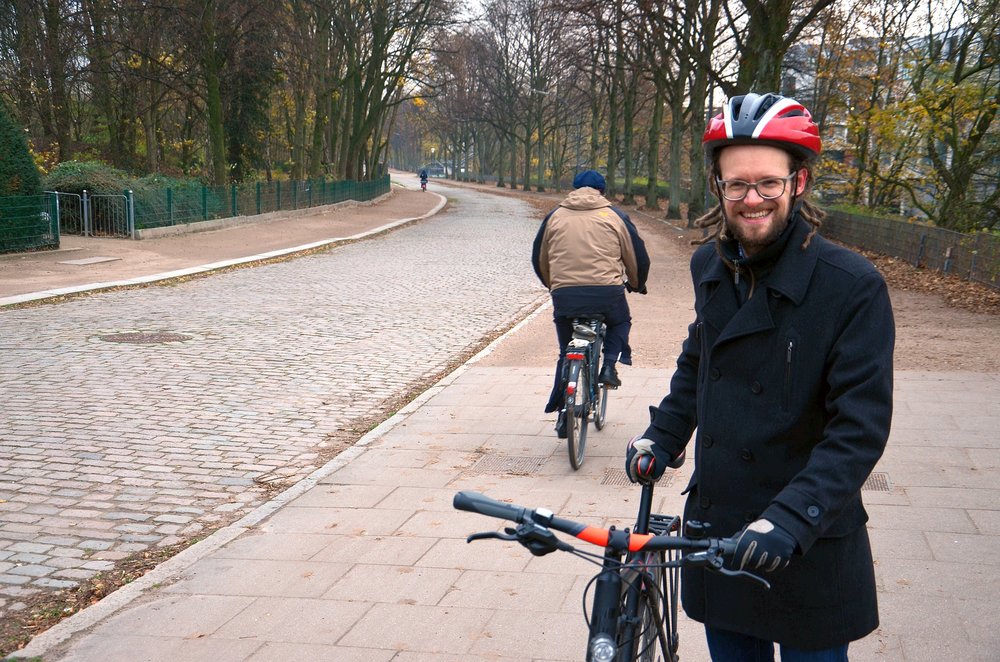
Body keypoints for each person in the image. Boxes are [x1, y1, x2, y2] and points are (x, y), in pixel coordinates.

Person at [624, 92, 894, 660]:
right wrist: (663, 435)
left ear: (798, 183)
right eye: (736, 185)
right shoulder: (709, 264)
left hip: (806, 540)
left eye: (768, 183)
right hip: (720, 529)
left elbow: (859, 428)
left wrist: (791, 519)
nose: (752, 199)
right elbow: (700, 361)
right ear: (718, 188)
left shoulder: (851, 285)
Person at [532, 169, 650, 438]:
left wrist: (554, 285)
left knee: (565, 352)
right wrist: (636, 282)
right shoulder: (615, 216)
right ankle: (608, 366)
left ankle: (564, 413)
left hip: (565, 295)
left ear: (573, 189)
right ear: (602, 191)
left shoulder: (555, 215)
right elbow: (636, 255)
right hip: (606, 293)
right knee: (621, 321)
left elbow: (540, 257)